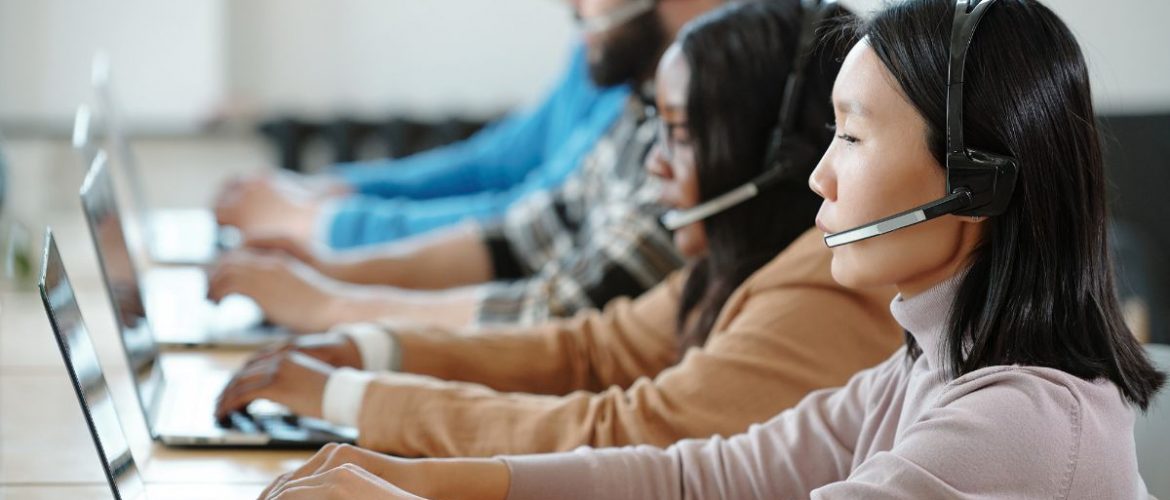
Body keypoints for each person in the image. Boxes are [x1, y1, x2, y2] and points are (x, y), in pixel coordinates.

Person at [255, 0, 1166, 498]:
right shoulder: (927, 365)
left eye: (850, 137)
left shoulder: (1009, 425)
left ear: (973, 182)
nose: (820, 175)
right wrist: (434, 484)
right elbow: (702, 475)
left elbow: (652, 437)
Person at [214, 0, 903, 459]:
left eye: (680, 138)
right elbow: (590, 351)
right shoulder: (738, 261)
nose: (654, 165)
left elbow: (630, 430)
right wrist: (362, 349)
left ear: (773, 158)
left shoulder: (816, 287)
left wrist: (352, 394)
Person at [206, 0, 737, 332]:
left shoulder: (720, 105)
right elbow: (526, 218)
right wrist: (331, 244)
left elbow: (567, 310)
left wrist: (332, 294)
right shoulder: (636, 85)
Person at [215, 44, 629, 250]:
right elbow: (492, 165)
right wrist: (341, 190)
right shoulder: (598, 45)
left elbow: (535, 218)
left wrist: (323, 224)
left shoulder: (651, 84)